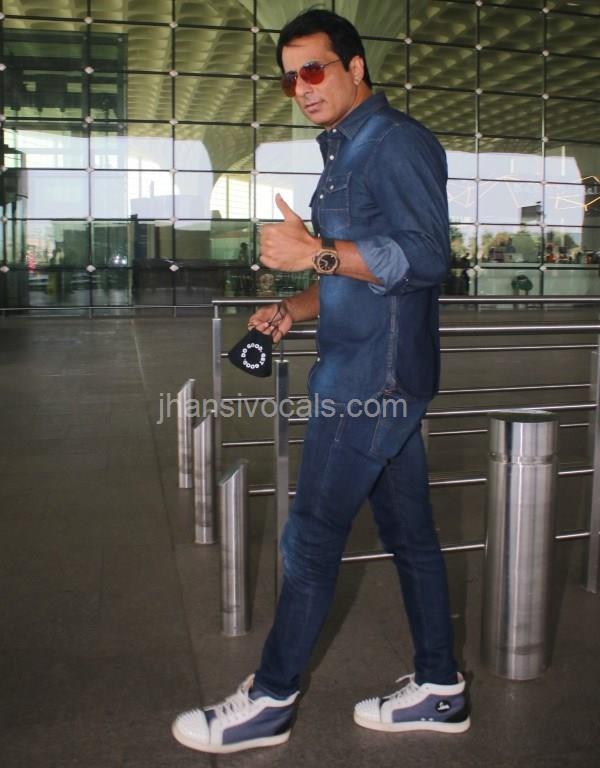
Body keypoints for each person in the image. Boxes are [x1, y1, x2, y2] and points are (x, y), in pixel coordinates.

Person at [172, 9, 470, 755]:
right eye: (289, 77)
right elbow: (349, 274)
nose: (301, 87)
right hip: (369, 374)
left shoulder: (394, 143)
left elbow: (427, 257)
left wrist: (316, 253)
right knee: (411, 536)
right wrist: (292, 308)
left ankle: (270, 701)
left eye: (313, 69)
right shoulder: (342, 153)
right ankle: (441, 687)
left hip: (372, 383)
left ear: (355, 67)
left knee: (309, 538)